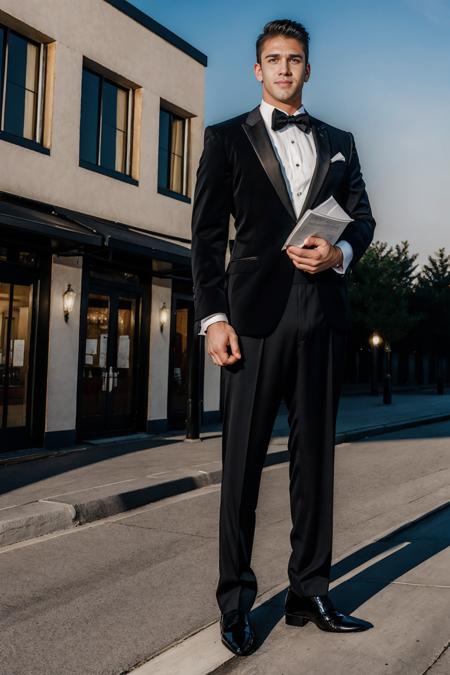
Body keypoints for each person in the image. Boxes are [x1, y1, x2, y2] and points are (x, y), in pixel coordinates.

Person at [190, 18, 375, 656]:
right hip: (251, 323)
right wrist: (213, 320)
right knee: (241, 468)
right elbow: (208, 237)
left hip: (321, 317)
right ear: (257, 69)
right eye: (273, 59)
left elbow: (365, 217)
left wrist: (340, 253)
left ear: (308, 67)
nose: (285, 69)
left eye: (295, 59)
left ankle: (310, 591)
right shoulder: (224, 139)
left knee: (314, 464)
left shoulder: (341, 141)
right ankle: (236, 602)